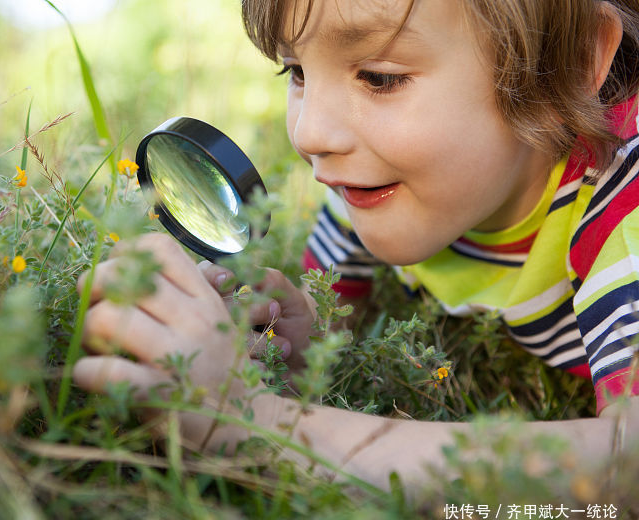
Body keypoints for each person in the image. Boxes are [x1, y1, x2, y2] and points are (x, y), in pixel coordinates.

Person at [73, 0, 639, 491]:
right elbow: (335, 326)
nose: (311, 134)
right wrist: (302, 345)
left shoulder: (623, 206)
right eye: (297, 71)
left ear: (571, 63)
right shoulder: (370, 186)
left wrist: (257, 425)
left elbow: (626, 466)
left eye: (379, 77)